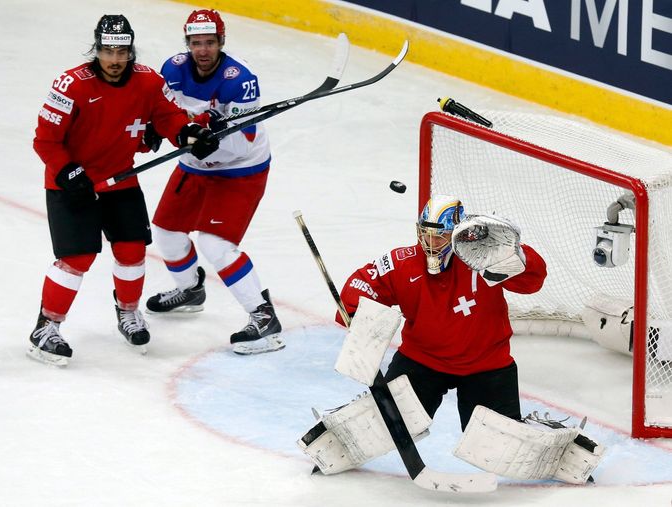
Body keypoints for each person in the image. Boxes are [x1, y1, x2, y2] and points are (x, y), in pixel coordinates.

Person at [30, 14, 220, 366]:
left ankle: (128, 313)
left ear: (131, 50)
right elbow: (45, 141)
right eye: (108, 51)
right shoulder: (70, 85)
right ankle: (46, 327)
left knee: (132, 249)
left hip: (120, 178)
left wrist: (188, 135)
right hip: (72, 184)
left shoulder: (148, 81)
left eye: (122, 51)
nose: (115, 60)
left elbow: (168, 118)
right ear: (96, 50)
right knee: (77, 258)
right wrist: (70, 172)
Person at [336, 194, 547, 430]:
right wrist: (354, 312)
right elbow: (362, 282)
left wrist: (516, 252)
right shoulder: (402, 262)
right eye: (425, 234)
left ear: (457, 232)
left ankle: (539, 434)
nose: (430, 243)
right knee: (385, 427)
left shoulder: (484, 255)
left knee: (497, 442)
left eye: (440, 236)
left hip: (486, 364)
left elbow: (533, 282)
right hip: (422, 360)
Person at [144, 9, 284, 355]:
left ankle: (264, 317)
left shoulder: (240, 80)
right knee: (165, 231)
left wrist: (212, 138)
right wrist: (157, 129)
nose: (203, 50)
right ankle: (190, 289)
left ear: (221, 42)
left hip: (240, 170)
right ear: (187, 43)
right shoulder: (172, 70)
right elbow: (166, 114)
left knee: (215, 244)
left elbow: (243, 142)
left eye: (210, 42)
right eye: (196, 43)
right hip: (194, 166)